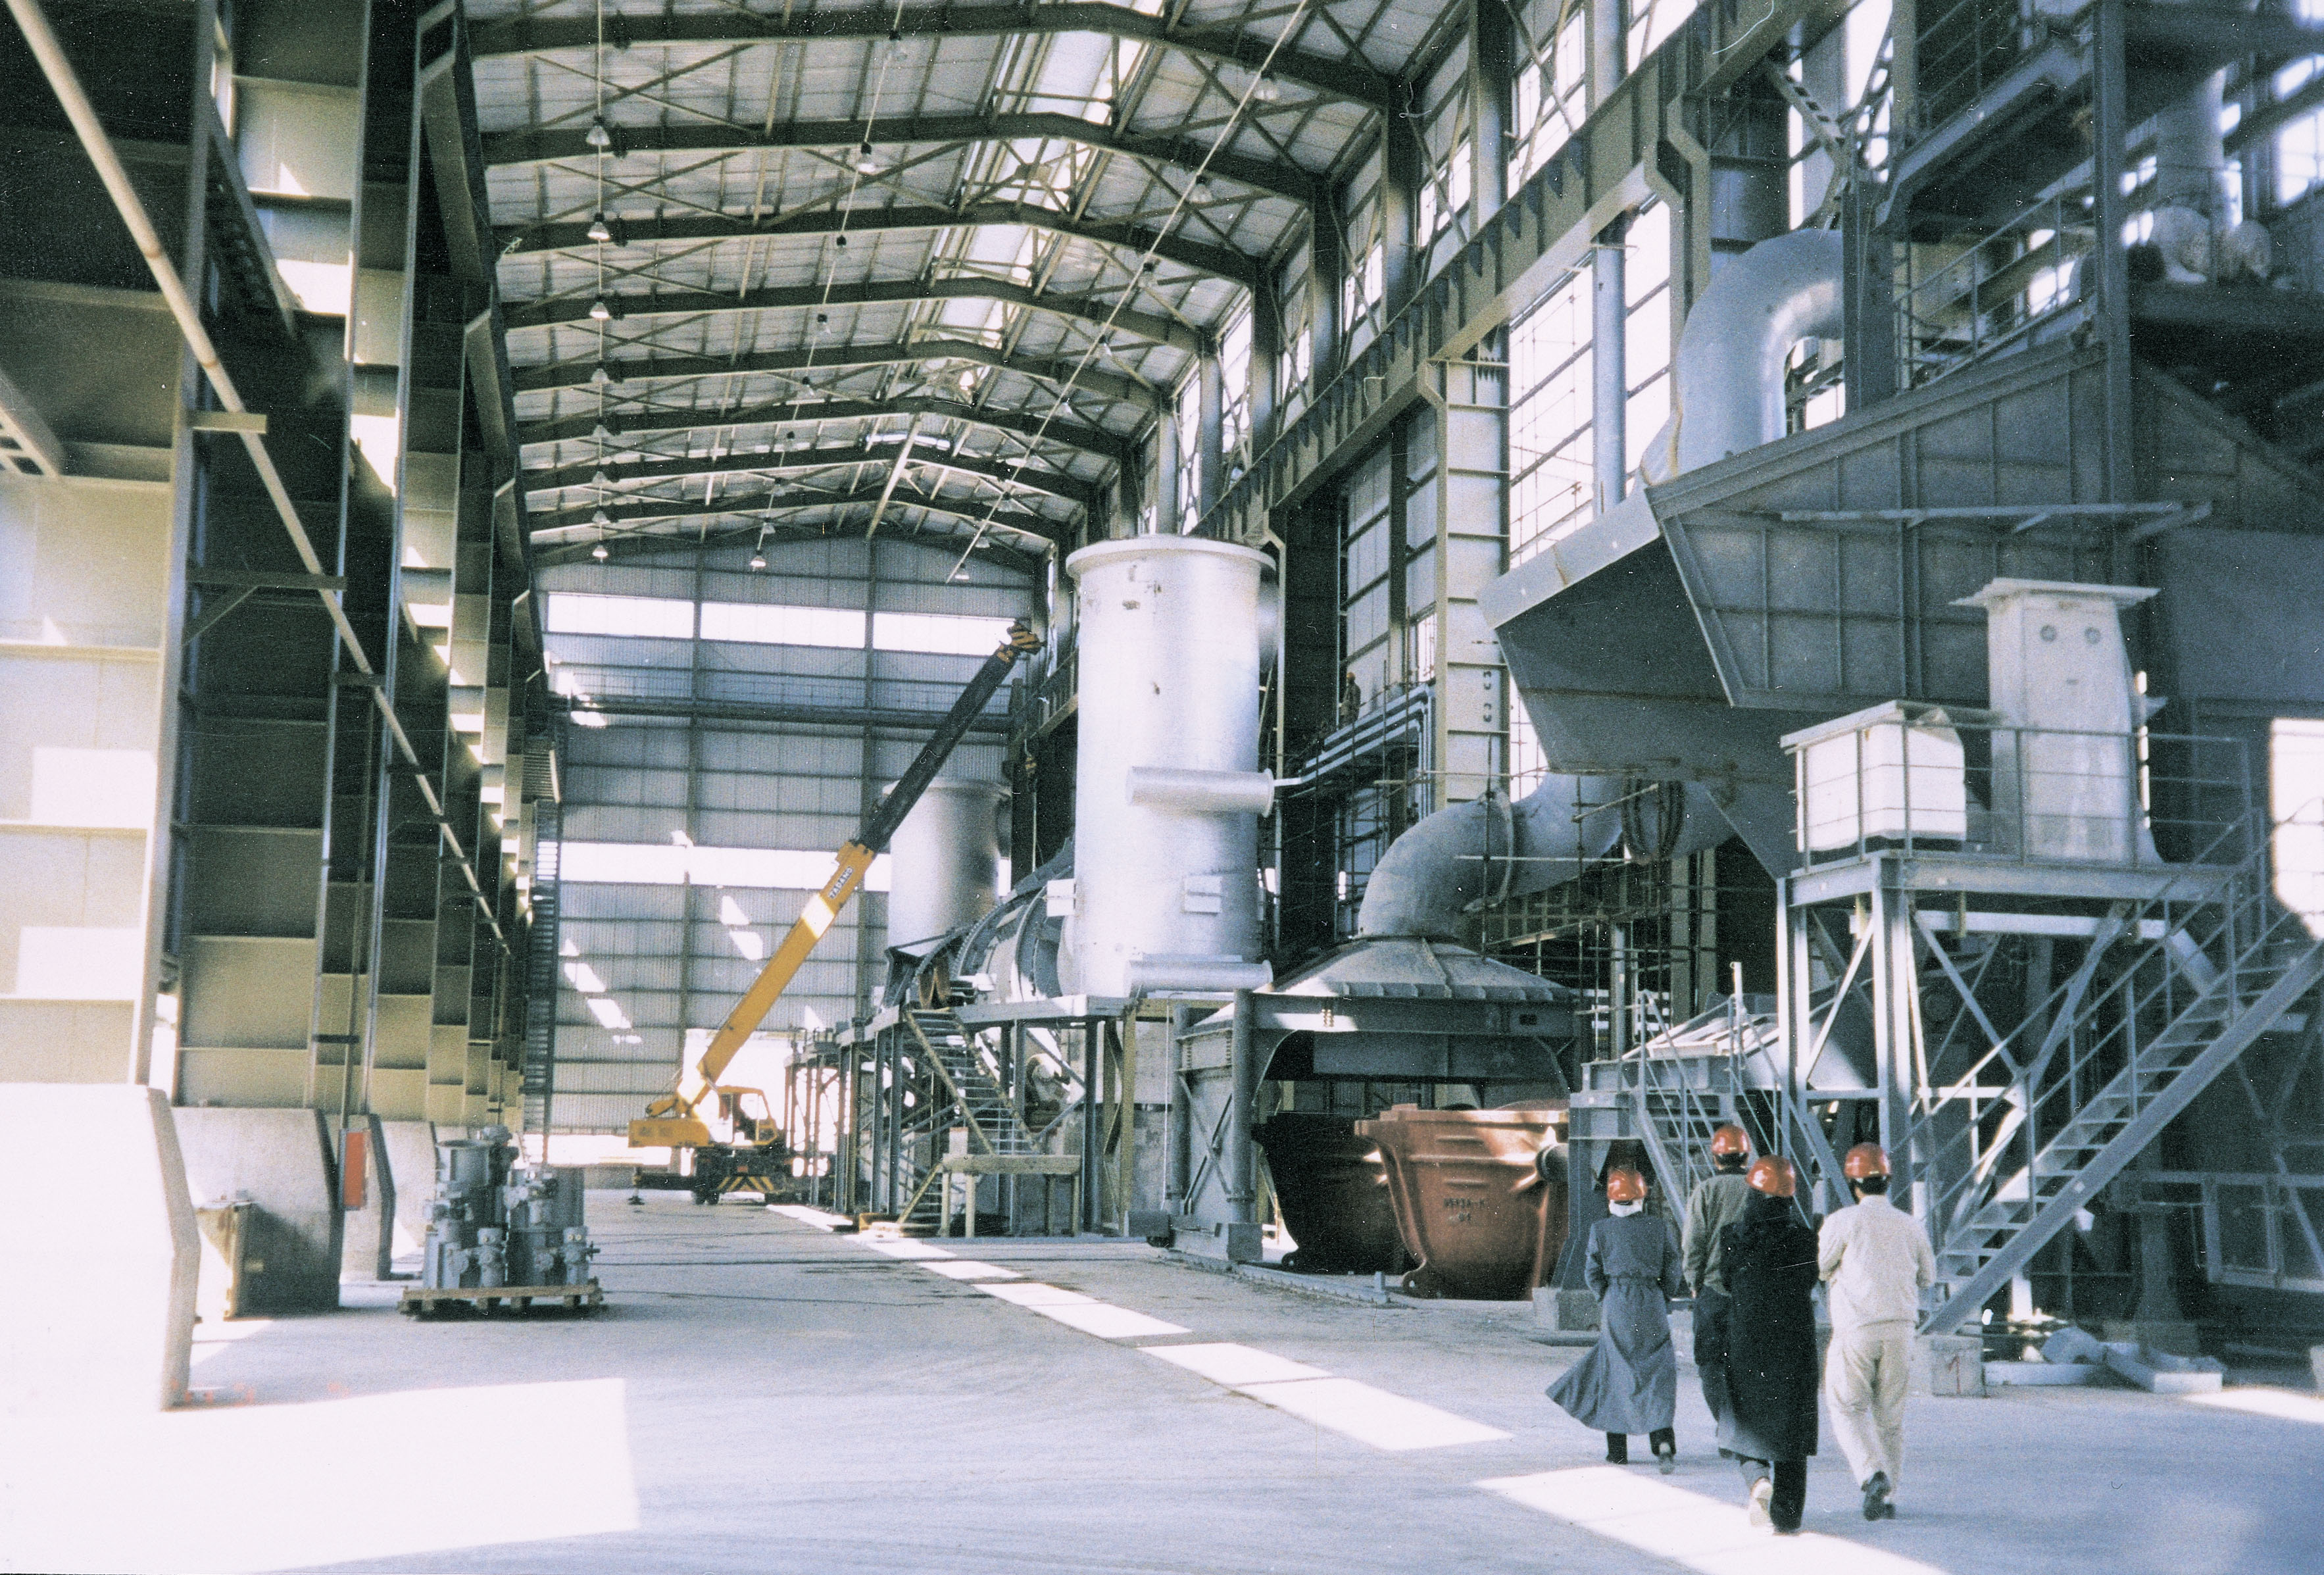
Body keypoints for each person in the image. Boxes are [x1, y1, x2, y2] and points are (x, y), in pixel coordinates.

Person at [1818, 1142, 1937, 1522]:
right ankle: (1887, 1498)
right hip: (1901, 1331)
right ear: (1888, 1181)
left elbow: (1820, 1266)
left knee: (1846, 1407)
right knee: (1890, 1420)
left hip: (1856, 1330)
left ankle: (1872, 1475)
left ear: (1853, 1184)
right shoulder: (1910, 1225)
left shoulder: (1842, 1221)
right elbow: (1928, 1278)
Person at [1546, 1166, 1687, 1471]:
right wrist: (1661, 1296)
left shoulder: (1600, 1229)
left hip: (1617, 1303)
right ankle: (1663, 1441)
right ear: (1641, 1197)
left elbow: (1592, 1273)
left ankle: (1618, 1451)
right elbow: (1673, 1268)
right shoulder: (1660, 1227)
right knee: (1657, 1370)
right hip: (1651, 1301)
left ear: (1611, 1199)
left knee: (1615, 1371)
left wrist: (1607, 1297)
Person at [1718, 1155, 1820, 1535]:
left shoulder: (1733, 1237)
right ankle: (1788, 1514)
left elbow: (1727, 1280)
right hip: (1793, 1339)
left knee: (1744, 1416)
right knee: (1792, 1421)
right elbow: (1809, 1280)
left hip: (1748, 1337)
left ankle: (1758, 1480)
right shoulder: (1805, 1240)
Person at [1682, 1124, 1756, 1449]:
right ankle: (1750, 1430)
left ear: (1715, 1158)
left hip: (1714, 1291)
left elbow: (1693, 1242)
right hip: (1753, 1294)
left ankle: (1727, 1427)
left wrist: (1694, 1282)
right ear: (1747, 1156)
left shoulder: (1706, 1191)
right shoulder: (1760, 1190)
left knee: (1712, 1364)